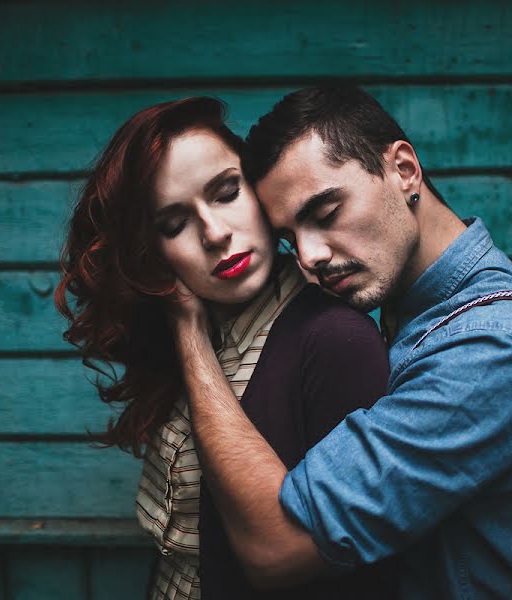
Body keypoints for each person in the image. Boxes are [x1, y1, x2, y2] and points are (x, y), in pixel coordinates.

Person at [167, 87, 512, 599]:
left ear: (404, 170)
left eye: (324, 213)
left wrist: (189, 334)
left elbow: (276, 549)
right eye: (289, 237)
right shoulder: (403, 308)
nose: (310, 256)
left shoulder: (497, 349)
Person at [54, 97, 397, 600]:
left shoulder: (334, 342)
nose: (215, 234)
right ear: (155, 253)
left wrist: (189, 336)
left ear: (260, 189)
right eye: (174, 225)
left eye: (226, 192)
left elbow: (344, 571)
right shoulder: (199, 329)